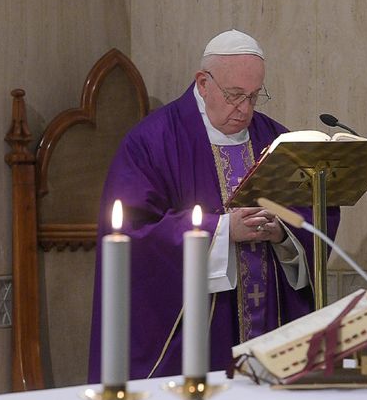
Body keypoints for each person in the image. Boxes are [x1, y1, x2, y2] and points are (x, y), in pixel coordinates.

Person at [87, 30, 340, 381]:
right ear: (203, 83)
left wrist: (283, 231)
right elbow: (132, 231)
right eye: (235, 95)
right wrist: (221, 231)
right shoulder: (153, 142)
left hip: (269, 326)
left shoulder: (276, 140)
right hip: (201, 336)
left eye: (254, 96)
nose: (245, 109)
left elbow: (316, 210)